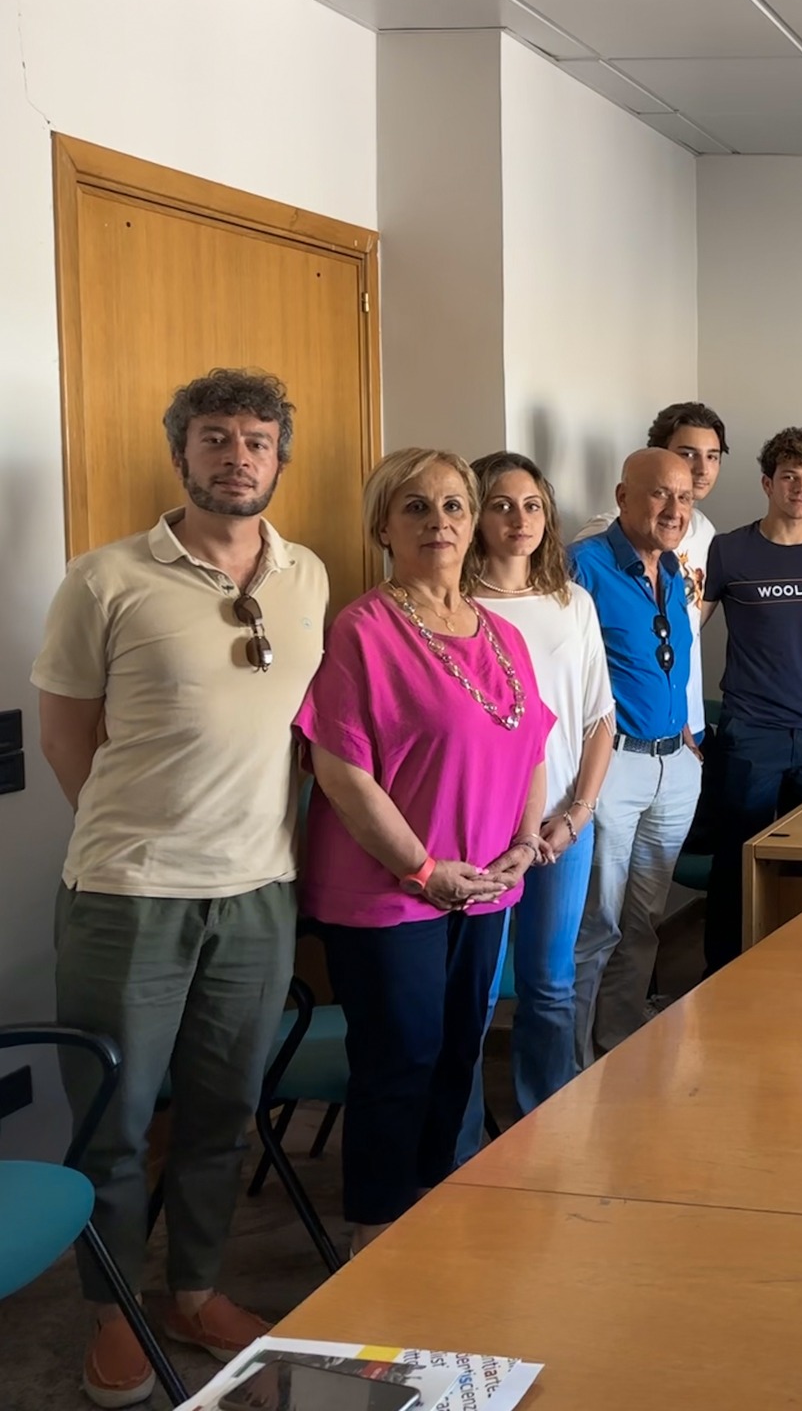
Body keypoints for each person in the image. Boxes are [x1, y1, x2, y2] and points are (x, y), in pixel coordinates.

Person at [32, 369, 327, 1405]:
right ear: (181, 453)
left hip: (258, 893)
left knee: (224, 1112)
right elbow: (65, 737)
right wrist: (146, 837)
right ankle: (114, 1309)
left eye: (256, 439)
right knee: (114, 1121)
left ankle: (193, 1292)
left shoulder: (306, 575)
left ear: (279, 458)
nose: (237, 455)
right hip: (130, 894)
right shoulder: (104, 578)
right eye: (215, 437)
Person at [296, 449, 552, 1253]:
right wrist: (422, 868)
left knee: (457, 1054)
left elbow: (532, 748)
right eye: (415, 507)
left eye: (453, 506)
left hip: (483, 886)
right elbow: (340, 769)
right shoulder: (363, 630)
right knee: (399, 1061)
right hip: (389, 890)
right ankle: (376, 1235)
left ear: (473, 524)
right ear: (383, 527)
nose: (437, 521)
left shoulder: (503, 635)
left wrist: (526, 840)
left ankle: (436, 1213)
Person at [459, 452, 614, 1145]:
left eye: (531, 506)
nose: (518, 519)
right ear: (475, 515)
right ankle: (459, 1143)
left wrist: (577, 814)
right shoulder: (452, 607)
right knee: (472, 993)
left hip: (559, 827)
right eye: (500, 505)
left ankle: (545, 1132)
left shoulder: (571, 603)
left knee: (549, 984)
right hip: (478, 830)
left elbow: (599, 719)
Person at [702, 428, 802, 972]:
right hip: (752, 730)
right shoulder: (727, 550)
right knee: (737, 856)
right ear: (767, 483)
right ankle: (722, 973)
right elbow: (687, 630)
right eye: (789, 477)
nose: (800, 488)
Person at [566, 449, 700, 1062]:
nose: (674, 509)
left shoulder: (672, 569)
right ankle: (570, 1064)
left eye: (685, 497)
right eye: (659, 494)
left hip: (673, 765)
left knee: (644, 919)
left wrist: (687, 736)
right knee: (597, 922)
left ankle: (616, 1044)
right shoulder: (583, 566)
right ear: (623, 497)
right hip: (612, 766)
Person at [577, 403, 727, 749]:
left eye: (712, 456)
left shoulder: (704, 530)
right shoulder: (604, 535)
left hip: (682, 721)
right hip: (620, 736)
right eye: (688, 454)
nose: (701, 468)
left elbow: (688, 623)